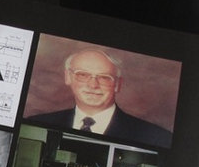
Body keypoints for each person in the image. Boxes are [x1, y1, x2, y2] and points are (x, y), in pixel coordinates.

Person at [30, 48, 172, 148]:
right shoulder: (36, 123)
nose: (93, 85)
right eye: (82, 75)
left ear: (117, 84)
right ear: (68, 77)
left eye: (104, 77)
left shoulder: (158, 138)